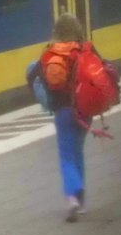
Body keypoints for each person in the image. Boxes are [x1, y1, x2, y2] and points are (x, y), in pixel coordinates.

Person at [27, 13, 89, 222]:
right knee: (77, 151)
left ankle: (72, 197)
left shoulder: (50, 53)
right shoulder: (85, 49)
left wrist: (42, 96)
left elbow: (32, 73)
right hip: (85, 111)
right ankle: (81, 202)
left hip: (62, 111)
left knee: (66, 156)